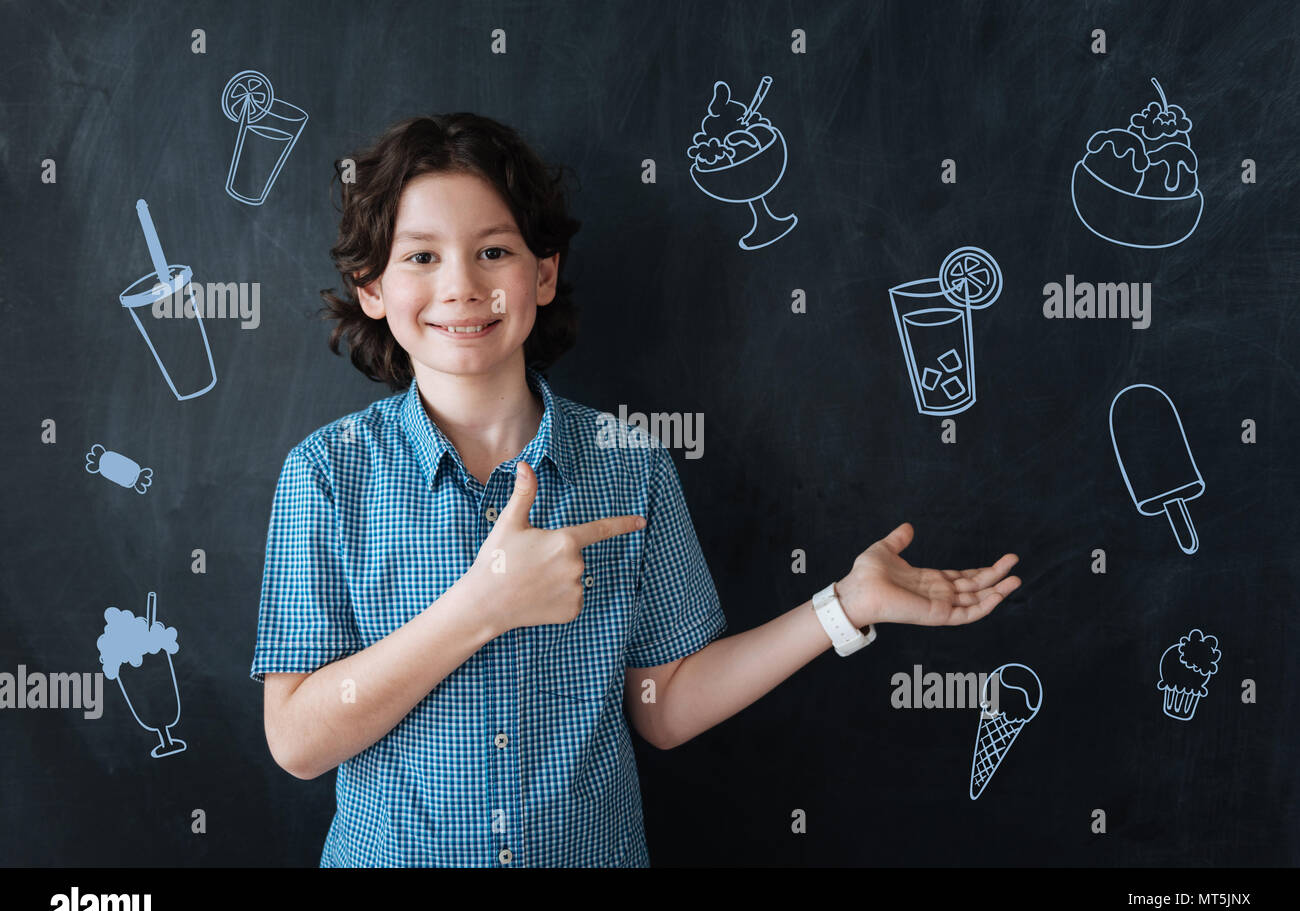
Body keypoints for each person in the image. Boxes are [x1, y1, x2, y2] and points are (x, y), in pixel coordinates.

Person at [250, 112, 1022, 867]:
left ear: (543, 273)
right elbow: (297, 741)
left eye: (493, 249)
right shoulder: (327, 474)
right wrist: (481, 607)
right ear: (371, 286)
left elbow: (666, 707)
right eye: (420, 257)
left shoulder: (629, 463)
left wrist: (843, 607)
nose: (460, 285)